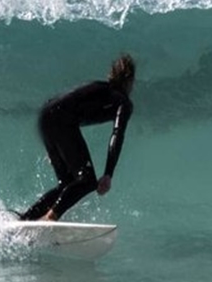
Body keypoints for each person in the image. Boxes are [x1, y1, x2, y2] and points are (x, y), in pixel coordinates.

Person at [19, 55, 136, 221]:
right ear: (130, 81)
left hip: (46, 116)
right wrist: (108, 173)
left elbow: (59, 105)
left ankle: (24, 220)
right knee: (87, 181)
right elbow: (118, 134)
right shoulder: (122, 102)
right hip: (61, 120)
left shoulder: (98, 88)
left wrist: (56, 145)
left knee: (67, 184)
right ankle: (49, 219)